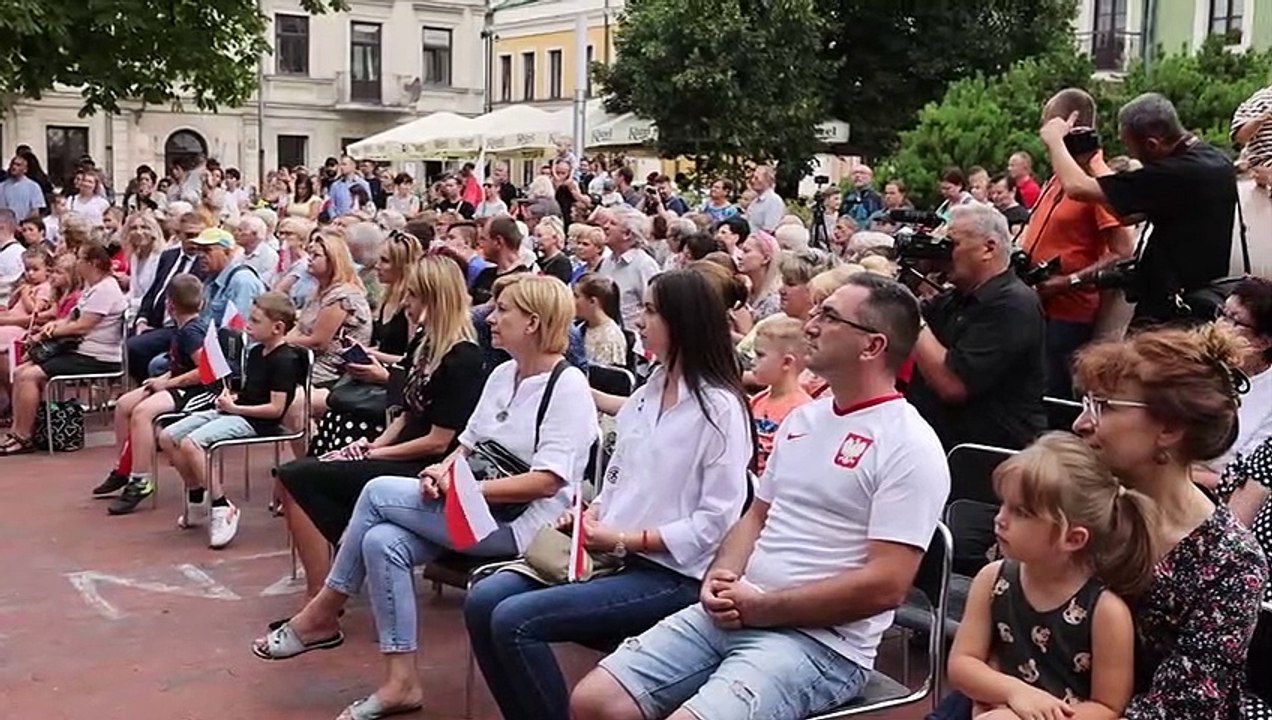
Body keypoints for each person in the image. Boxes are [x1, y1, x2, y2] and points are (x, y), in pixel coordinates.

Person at [571, 272, 950, 720]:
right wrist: (722, 575)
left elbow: (886, 586)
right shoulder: (804, 419)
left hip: (824, 644)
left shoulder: (909, 445)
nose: (811, 325)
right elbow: (756, 515)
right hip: (741, 609)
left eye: (829, 317)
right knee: (594, 701)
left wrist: (763, 608)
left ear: (872, 346)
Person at [251, 276, 598, 720]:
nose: (490, 318)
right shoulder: (502, 374)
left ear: (532, 322)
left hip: (521, 525)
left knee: (377, 490)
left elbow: (546, 482)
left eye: (503, 310)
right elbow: (465, 447)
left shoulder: (567, 387)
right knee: (382, 541)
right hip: (473, 508)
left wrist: (466, 488)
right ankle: (401, 683)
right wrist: (440, 473)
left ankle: (325, 609)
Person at [465, 269, 753, 720]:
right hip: (614, 556)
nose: (638, 320)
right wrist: (590, 514)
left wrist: (622, 538)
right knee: (484, 598)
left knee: (513, 620)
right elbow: (617, 480)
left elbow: (716, 522)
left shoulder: (719, 409)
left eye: (651, 312)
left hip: (672, 574)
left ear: (682, 322)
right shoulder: (649, 392)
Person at [1072, 323, 1268, 718]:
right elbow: (1007, 616)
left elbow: (1181, 708)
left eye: (1104, 406)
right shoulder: (1075, 506)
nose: (1081, 423)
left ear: (1169, 429)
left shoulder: (1231, 561)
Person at [273, 256, 485, 599]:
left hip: (429, 467)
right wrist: (373, 445)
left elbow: (437, 441)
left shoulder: (464, 358)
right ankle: (326, 586)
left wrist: (377, 453)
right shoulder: (425, 343)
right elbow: (406, 413)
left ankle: (321, 595)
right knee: (296, 476)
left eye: (413, 295)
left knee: (296, 478)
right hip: (401, 452)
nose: (406, 303)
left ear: (433, 299)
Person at [947, 432, 1150, 719]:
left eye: (1021, 512)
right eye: (1003, 504)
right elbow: (962, 663)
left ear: (1073, 538)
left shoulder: (1105, 611)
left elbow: (1108, 707)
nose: (1000, 518)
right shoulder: (992, 579)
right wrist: (1012, 692)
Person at [1042, 92, 1237, 325]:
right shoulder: (1214, 160)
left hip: (1172, 309)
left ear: (1152, 144)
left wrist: (1055, 141)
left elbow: (1076, 188)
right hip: (1194, 299)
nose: (1130, 154)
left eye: (1129, 146)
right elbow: (1128, 215)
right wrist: (1093, 163)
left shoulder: (1175, 173)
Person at [157, 293, 302, 548]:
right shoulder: (256, 353)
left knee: (192, 443)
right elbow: (250, 393)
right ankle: (197, 495)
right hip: (238, 410)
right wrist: (230, 399)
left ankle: (222, 506)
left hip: (256, 421)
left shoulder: (286, 360)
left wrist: (235, 408)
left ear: (277, 327)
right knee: (167, 436)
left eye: (256, 321)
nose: (248, 325)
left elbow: (276, 409)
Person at [907, 203, 1046, 450]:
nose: (945, 253)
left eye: (952, 244)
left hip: (983, 451)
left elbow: (952, 385)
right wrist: (919, 268)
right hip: (939, 439)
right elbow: (892, 325)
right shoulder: (957, 297)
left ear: (988, 248)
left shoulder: (1013, 304)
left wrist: (910, 316)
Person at [95, 275, 225, 515]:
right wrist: (162, 380)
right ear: (201, 302)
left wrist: (167, 384)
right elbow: (181, 366)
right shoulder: (182, 328)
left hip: (201, 392)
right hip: (180, 384)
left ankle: (140, 480)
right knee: (124, 404)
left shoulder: (192, 332)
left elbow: (206, 371)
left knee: (142, 412)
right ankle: (124, 468)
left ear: (169, 304)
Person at [1, 242, 127, 455]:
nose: (77, 262)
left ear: (93, 263)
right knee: (21, 370)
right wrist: (54, 325)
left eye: (80, 258)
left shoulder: (106, 289)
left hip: (95, 357)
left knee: (29, 376)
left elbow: (82, 326)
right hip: (77, 350)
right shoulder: (91, 287)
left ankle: (23, 436)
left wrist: (49, 333)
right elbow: (72, 317)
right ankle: (17, 431)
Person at [126, 215, 211, 382]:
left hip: (179, 325)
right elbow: (153, 291)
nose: (195, 241)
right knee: (123, 339)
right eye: (189, 235)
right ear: (179, 235)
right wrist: (142, 319)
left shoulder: (204, 263)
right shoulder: (168, 256)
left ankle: (148, 386)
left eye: (199, 235)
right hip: (155, 321)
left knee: (133, 347)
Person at [749, 315, 812, 474]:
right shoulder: (757, 400)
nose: (752, 362)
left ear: (786, 362)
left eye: (760, 355)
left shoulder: (803, 410)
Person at [598, 209, 661, 335]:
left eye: (613, 223)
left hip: (633, 339)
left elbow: (656, 308)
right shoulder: (607, 262)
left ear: (627, 234)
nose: (605, 226)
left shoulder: (644, 265)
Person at [574, 273, 627, 367]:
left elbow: (606, 374)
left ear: (592, 301)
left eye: (577, 296)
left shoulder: (610, 338)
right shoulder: (581, 327)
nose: (572, 301)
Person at [0, 154, 47, 221]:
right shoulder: (1, 186)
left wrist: (23, 223)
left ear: (25, 169)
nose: (14, 167)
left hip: (25, 224)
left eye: (18, 165)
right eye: (13, 164)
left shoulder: (33, 187)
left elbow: (35, 211)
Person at [744, 165, 784, 234]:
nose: (752, 181)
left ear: (768, 180)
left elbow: (769, 230)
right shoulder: (755, 201)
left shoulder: (773, 201)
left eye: (756, 178)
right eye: (753, 177)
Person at [534, 215, 573, 285]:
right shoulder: (538, 260)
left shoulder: (562, 262)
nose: (536, 240)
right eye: (535, 236)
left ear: (554, 238)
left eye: (540, 236)